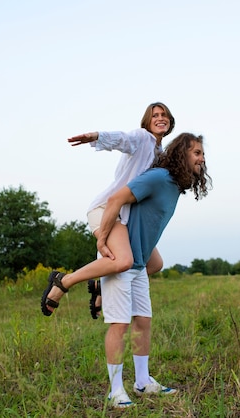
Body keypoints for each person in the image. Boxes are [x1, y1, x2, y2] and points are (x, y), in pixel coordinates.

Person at [46, 132, 211, 408]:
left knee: (143, 322)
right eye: (196, 153)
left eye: (203, 154)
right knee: (119, 325)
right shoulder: (157, 178)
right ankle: (115, 390)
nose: (202, 159)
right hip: (122, 261)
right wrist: (102, 240)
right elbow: (115, 200)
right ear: (182, 154)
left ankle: (143, 381)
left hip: (137, 265)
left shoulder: (175, 186)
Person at [41, 102, 175, 318]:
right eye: (155, 115)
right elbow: (123, 139)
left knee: (155, 264)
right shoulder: (143, 138)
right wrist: (96, 136)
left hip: (126, 218)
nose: (161, 118)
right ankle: (63, 281)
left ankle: (101, 287)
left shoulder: (160, 153)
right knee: (123, 261)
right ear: (147, 122)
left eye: (164, 115)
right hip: (106, 209)